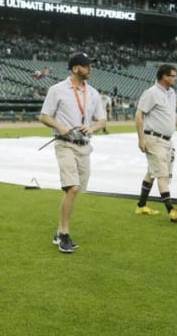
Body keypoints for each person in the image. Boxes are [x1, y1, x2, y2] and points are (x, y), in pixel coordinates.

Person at [40, 52, 106, 253]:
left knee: (76, 190)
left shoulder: (93, 93)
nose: (90, 69)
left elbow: (101, 121)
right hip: (65, 144)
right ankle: (64, 234)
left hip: (85, 145)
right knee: (73, 187)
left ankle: (59, 231)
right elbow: (44, 116)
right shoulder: (57, 90)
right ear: (76, 68)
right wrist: (60, 126)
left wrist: (91, 128)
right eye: (87, 66)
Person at [134, 64, 177, 222]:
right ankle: (171, 210)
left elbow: (172, 115)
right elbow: (139, 115)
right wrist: (141, 139)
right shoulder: (151, 93)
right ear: (164, 77)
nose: (175, 78)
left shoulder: (171, 92)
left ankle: (141, 206)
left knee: (152, 173)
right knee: (162, 175)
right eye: (173, 75)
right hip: (153, 139)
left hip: (166, 140)